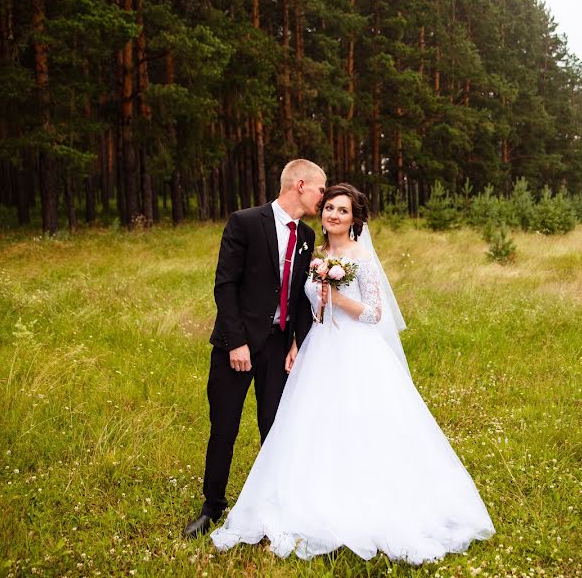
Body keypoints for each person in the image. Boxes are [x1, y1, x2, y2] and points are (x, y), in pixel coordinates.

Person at [209, 183, 495, 563]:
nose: (333, 215)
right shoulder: (314, 249)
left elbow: (376, 313)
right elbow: (300, 303)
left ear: (354, 219)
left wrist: (338, 296)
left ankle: (365, 501)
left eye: (343, 211)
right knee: (309, 425)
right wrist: (297, 340)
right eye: (329, 208)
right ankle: (302, 497)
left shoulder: (360, 256)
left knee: (359, 422)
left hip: (355, 351)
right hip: (317, 349)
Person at [182, 159, 327, 539]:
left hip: (278, 348)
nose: (323, 197)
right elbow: (225, 285)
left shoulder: (308, 235)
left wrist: (297, 339)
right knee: (224, 428)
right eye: (320, 190)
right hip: (238, 346)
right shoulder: (245, 221)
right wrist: (237, 342)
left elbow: (296, 296)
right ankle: (212, 507)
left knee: (275, 430)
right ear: (299, 184)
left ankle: (271, 507)